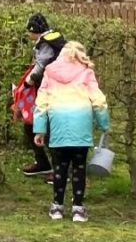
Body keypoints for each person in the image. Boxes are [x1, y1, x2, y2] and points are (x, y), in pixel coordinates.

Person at [33, 41, 109, 222]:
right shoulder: (86, 73)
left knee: (60, 166)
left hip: (58, 122)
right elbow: (98, 101)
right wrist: (103, 124)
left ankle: (57, 207)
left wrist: (40, 130)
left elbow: (41, 102)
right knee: (79, 167)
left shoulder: (50, 73)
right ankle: (78, 209)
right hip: (81, 123)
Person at [15, 12, 67, 183]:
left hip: (52, 91)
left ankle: (60, 169)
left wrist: (28, 83)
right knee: (30, 125)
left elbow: (41, 66)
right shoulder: (53, 38)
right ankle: (43, 163)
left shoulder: (46, 44)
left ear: (34, 29)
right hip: (47, 89)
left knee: (50, 129)